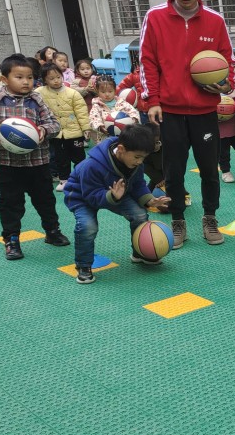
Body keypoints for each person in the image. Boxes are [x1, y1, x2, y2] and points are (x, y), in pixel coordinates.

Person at [139, 0, 234, 249]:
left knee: (209, 169)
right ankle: (178, 220)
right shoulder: (155, 17)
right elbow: (147, 61)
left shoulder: (215, 21)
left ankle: (210, 217)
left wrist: (224, 85)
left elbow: (228, 62)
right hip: (170, 111)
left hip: (205, 111)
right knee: (173, 171)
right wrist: (153, 100)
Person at [0, 53, 71, 260]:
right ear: (4, 78)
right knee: (11, 203)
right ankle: (11, 240)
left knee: (45, 200)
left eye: (30, 77)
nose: (26, 82)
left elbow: (54, 123)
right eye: (19, 77)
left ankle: (52, 231)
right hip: (8, 164)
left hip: (38, 162)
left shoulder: (37, 99)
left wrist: (44, 130)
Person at [63, 125, 171, 284]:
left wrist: (149, 199)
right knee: (87, 227)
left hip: (116, 193)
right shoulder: (92, 165)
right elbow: (91, 196)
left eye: (143, 158)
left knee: (139, 215)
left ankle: (140, 253)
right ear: (121, 149)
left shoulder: (135, 162)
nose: (140, 161)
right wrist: (112, 196)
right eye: (137, 157)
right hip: (82, 196)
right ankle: (83, 265)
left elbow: (138, 184)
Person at [36, 62, 90, 192]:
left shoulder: (73, 93)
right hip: (56, 133)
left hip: (75, 132)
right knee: (60, 158)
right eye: (51, 78)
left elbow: (81, 112)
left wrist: (86, 129)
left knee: (79, 158)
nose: (56, 81)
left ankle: (81, 179)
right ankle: (64, 180)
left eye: (58, 77)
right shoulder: (39, 93)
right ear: (45, 80)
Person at [88, 76, 140, 144]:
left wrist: (134, 119)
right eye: (103, 92)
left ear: (115, 91)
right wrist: (100, 126)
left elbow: (132, 111)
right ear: (97, 91)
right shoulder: (97, 105)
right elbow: (93, 118)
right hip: (106, 137)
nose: (107, 94)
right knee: (109, 150)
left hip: (125, 135)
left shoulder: (121, 102)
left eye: (110, 91)